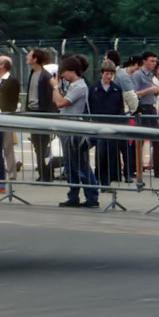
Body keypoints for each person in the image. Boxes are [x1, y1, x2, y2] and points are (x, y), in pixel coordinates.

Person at [52, 54, 99, 209]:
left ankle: (92, 197)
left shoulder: (79, 86)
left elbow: (60, 102)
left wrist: (54, 86)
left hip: (74, 131)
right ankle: (73, 196)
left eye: (64, 72)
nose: (62, 75)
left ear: (72, 71)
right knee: (70, 165)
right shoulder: (71, 86)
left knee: (81, 164)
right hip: (67, 129)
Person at [85, 59, 126, 188]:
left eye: (111, 74)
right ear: (102, 73)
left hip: (112, 125)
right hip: (98, 125)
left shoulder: (116, 89)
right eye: (106, 73)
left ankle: (106, 181)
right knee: (100, 154)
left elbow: (120, 108)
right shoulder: (93, 88)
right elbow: (88, 106)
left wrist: (121, 122)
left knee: (111, 155)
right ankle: (97, 179)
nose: (108, 76)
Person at [131, 51, 159, 179]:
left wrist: (156, 91)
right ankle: (132, 168)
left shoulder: (150, 76)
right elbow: (135, 93)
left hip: (151, 107)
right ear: (144, 61)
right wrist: (151, 89)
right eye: (151, 61)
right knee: (139, 140)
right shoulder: (137, 75)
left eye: (155, 61)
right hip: (142, 109)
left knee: (157, 139)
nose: (154, 63)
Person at [24, 48, 56, 180]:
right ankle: (43, 172)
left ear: (35, 59)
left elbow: (50, 97)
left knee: (42, 144)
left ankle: (45, 172)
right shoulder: (32, 73)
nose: (27, 57)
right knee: (37, 145)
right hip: (33, 112)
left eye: (30, 55)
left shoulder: (45, 76)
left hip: (42, 113)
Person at [0, 54, 21, 177]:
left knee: (7, 145)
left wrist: (8, 113)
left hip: (5, 116)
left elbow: (13, 100)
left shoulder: (12, 81)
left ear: (2, 65)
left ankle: (11, 172)